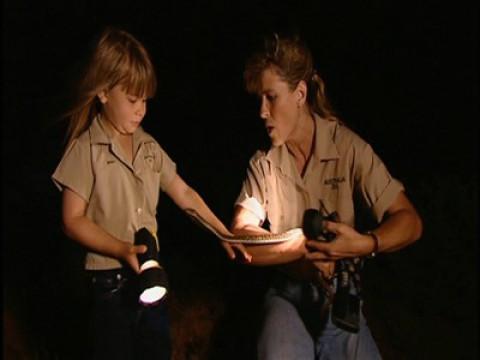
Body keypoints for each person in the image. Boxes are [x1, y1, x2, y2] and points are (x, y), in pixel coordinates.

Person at [51, 27, 250, 360]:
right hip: (109, 285)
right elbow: (72, 220)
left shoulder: (148, 147)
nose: (141, 108)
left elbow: (184, 192)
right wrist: (120, 248)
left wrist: (222, 233)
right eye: (132, 99)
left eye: (144, 99)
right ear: (102, 92)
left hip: (150, 276)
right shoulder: (86, 149)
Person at [230, 33, 423, 359]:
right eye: (259, 100)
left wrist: (365, 244)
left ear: (300, 94)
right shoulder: (264, 162)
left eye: (271, 97)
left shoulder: (349, 148)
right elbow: (240, 234)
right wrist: (299, 246)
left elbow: (410, 222)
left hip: (340, 293)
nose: (262, 111)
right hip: (287, 293)